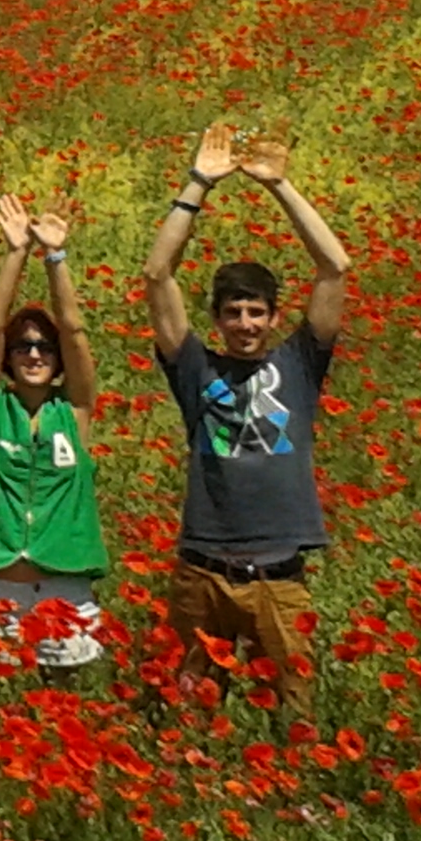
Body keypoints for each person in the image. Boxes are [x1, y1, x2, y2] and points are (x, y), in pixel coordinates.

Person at [143, 122, 350, 720]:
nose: (245, 323)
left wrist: (280, 187)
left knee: (293, 714)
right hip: (201, 570)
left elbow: (335, 267)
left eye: (256, 312)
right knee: (176, 716)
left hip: (280, 578)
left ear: (273, 316)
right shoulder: (193, 367)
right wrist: (198, 184)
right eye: (232, 312)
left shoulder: (300, 364)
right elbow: (158, 276)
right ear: (216, 318)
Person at [0, 194, 108, 672]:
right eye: (22, 347)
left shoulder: (75, 411)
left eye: (45, 346)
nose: (34, 354)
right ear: (8, 359)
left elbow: (77, 332)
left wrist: (55, 258)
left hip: (64, 589)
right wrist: (16, 253)